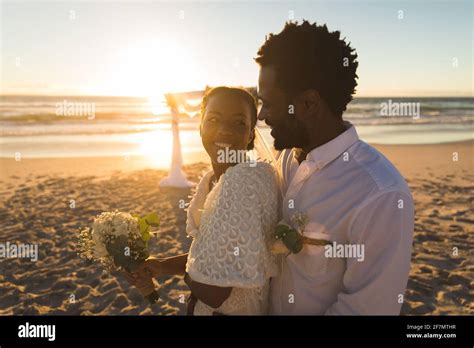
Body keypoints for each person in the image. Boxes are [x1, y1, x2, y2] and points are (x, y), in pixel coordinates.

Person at [255, 20, 414, 314]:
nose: (262, 115)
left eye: (268, 103)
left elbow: (367, 310)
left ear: (309, 103)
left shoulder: (380, 195)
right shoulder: (286, 159)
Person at [125, 87, 279, 315]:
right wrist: (161, 265)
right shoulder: (211, 180)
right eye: (214, 119)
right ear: (200, 127)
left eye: (238, 123)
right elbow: (212, 256)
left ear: (251, 135)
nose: (224, 130)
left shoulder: (245, 181)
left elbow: (214, 292)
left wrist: (185, 270)